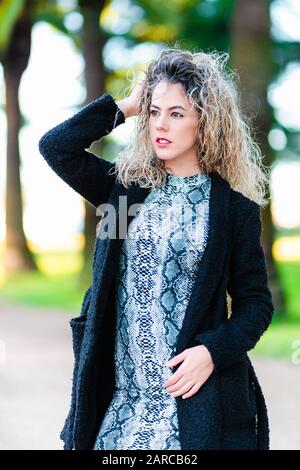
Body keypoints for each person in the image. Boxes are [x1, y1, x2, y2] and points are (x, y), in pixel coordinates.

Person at [38, 47, 274, 450]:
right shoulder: (125, 192)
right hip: (120, 401)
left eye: (177, 113)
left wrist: (213, 351)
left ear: (206, 121)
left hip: (189, 400)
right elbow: (56, 147)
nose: (160, 124)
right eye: (154, 112)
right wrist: (127, 106)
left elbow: (256, 304)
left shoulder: (235, 211)